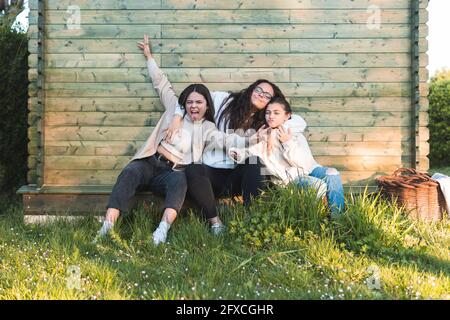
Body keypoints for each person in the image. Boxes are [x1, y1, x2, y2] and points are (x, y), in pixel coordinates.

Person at [95, 35, 236, 245]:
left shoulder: (207, 127)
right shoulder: (174, 109)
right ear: (184, 103)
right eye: (189, 102)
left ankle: (161, 231)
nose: (194, 106)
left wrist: (234, 148)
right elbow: (161, 82)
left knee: (180, 182)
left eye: (199, 102)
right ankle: (107, 226)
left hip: (173, 172)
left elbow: (220, 138)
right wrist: (149, 56)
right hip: (151, 162)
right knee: (129, 172)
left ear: (207, 105)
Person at [166, 79, 307, 228]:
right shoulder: (224, 100)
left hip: (237, 176)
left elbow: (298, 121)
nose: (261, 95)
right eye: (259, 90)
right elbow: (191, 98)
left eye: (267, 96)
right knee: (194, 167)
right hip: (212, 174)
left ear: (270, 102)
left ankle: (252, 221)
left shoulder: (265, 120)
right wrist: (177, 116)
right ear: (252, 89)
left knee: (254, 161)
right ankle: (216, 224)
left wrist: (273, 131)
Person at [229, 97, 345, 216]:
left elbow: (302, 163)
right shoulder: (264, 136)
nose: (271, 116)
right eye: (268, 113)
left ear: (287, 115)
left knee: (333, 173)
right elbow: (250, 153)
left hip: (308, 169)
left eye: (276, 113)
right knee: (317, 185)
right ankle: (316, 220)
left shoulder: (295, 133)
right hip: (291, 178)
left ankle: (338, 218)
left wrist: (287, 142)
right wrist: (237, 153)